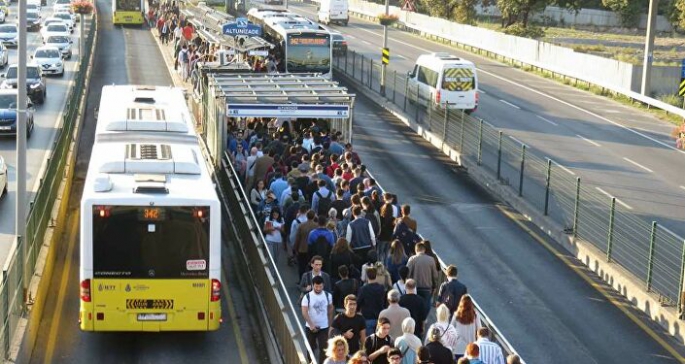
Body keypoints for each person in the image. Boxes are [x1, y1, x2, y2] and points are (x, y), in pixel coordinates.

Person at [301, 275, 334, 364]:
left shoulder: (328, 296)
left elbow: (331, 309)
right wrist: (311, 325)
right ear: (312, 285)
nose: (318, 288)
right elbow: (304, 312)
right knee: (310, 348)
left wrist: (330, 324)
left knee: (324, 348)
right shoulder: (307, 297)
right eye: (316, 286)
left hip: (324, 326)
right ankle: (311, 361)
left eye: (320, 286)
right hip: (310, 327)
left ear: (323, 285)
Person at [407, 242, 438, 310]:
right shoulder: (431, 260)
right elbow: (435, 275)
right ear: (424, 250)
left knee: (414, 306)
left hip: (414, 287)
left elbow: (407, 273)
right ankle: (424, 319)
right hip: (427, 288)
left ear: (416, 250)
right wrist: (435, 286)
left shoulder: (412, 259)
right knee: (426, 306)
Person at [356, 267, 387, 335]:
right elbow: (385, 302)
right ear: (376, 275)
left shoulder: (363, 289)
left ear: (367, 276)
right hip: (380, 317)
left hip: (367, 318)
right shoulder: (381, 288)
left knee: (370, 341)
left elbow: (358, 302)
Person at [450, 295, 481, 359]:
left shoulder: (457, 314)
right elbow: (479, 330)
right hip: (470, 348)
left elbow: (451, 329)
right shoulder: (475, 315)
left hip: (457, 348)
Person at [293, 210, 318, 278]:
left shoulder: (302, 226)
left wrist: (295, 248)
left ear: (307, 216)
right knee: (311, 267)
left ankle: (301, 280)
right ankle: (310, 281)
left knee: (301, 267)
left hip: (302, 249)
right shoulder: (316, 226)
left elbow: (297, 238)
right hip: (312, 250)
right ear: (314, 217)